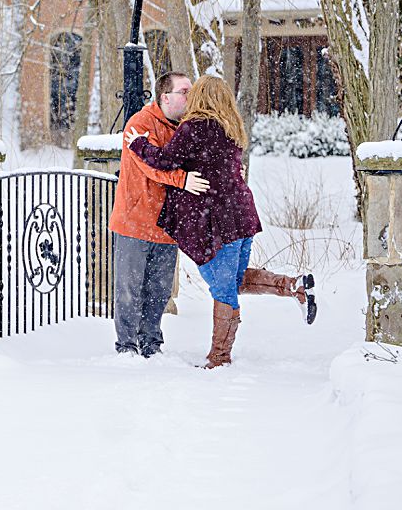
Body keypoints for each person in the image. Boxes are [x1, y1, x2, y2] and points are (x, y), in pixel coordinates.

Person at [125, 74, 315, 370]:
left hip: (218, 222)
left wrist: (139, 145)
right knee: (234, 281)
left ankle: (219, 358)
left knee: (223, 289)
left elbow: (164, 160)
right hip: (242, 217)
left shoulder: (195, 128)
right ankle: (294, 287)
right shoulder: (231, 128)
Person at [107, 72, 209, 357]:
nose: (191, 97)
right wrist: (183, 179)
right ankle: (126, 346)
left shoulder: (188, 127)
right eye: (185, 91)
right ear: (166, 97)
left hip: (167, 226)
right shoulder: (139, 124)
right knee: (129, 290)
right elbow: (150, 165)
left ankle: (151, 343)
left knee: (159, 292)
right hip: (134, 223)